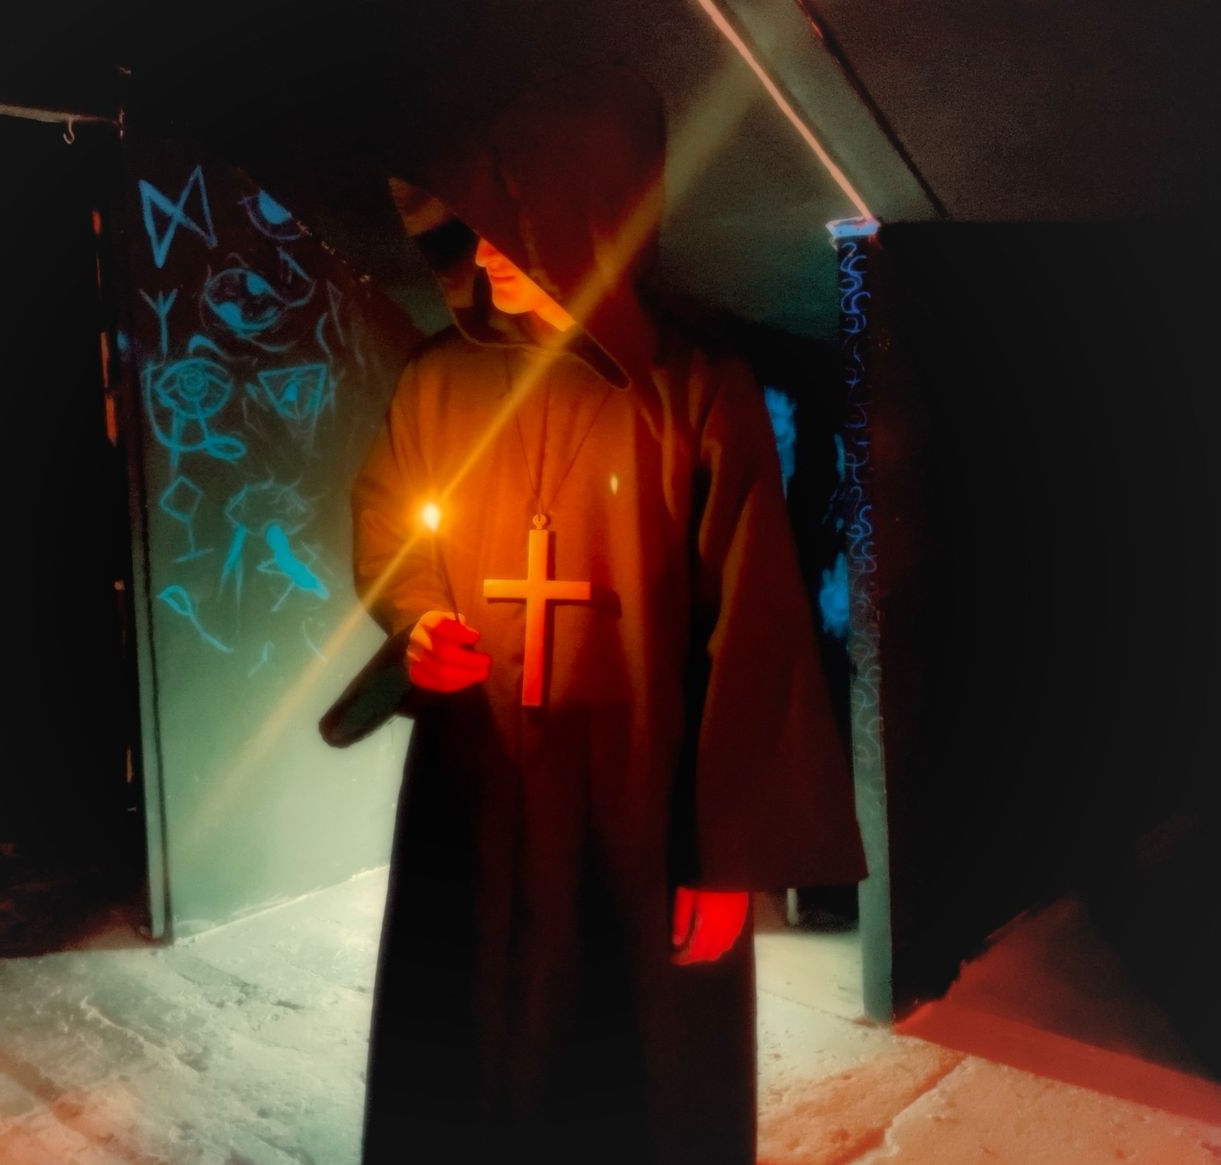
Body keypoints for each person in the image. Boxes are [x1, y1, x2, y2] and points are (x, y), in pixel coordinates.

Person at [327, 67, 866, 1165]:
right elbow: (392, 528)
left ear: (590, 219)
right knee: (465, 1048)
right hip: (476, 785)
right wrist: (419, 620)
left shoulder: (695, 390)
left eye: (511, 227)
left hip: (636, 804)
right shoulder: (438, 380)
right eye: (474, 225)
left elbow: (753, 629)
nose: (482, 254)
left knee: (630, 1077)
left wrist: (727, 858)